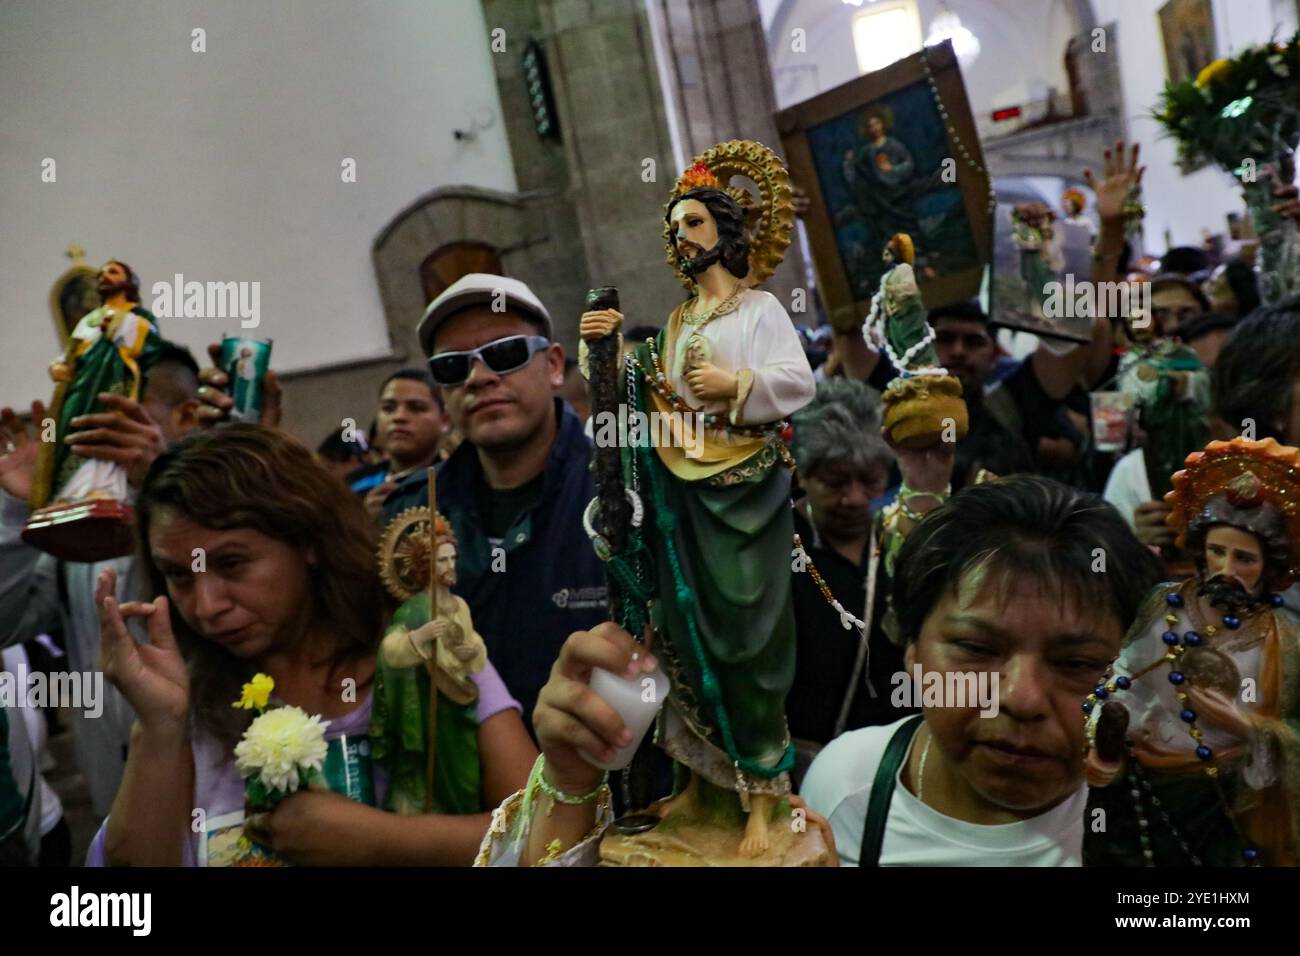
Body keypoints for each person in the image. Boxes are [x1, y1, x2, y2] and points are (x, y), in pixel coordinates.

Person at [89, 424, 534, 866]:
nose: (207, 607)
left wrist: (382, 841)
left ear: (310, 542)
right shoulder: (186, 702)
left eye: (232, 564)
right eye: (179, 576)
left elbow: (546, 833)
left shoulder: (424, 649)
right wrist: (158, 727)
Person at [579, 145, 815, 856]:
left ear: (724, 229)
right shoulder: (678, 322)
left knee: (747, 635)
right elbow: (649, 397)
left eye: (694, 223)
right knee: (680, 625)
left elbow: (796, 384)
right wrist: (611, 355)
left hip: (743, 496)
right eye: (675, 226)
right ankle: (702, 785)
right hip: (681, 491)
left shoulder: (760, 309)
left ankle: (766, 801)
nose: (683, 237)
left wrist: (738, 388)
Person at [802, 475, 1163, 865]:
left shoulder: (1161, 825)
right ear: (911, 648)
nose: (1021, 699)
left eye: (1076, 663)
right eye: (976, 648)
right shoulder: (848, 785)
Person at [386, 273, 609, 732]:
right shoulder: (411, 516)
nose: (479, 378)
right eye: (453, 366)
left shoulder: (623, 492)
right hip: (473, 793)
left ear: (552, 366)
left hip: (615, 785)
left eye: (504, 354)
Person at [0, 341, 204, 818]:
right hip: (117, 793)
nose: (97, 430)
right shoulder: (79, 527)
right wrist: (15, 513)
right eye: (86, 413)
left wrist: (159, 484)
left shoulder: (233, 501)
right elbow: (5, 624)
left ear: (186, 417)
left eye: (120, 411)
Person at [1086, 437, 1300, 866]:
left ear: (1269, 567)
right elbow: (1124, 674)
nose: (1226, 570)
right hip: (1143, 786)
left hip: (1226, 801)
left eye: (1244, 559)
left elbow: (1291, 737)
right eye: (1217, 553)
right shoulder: (1165, 605)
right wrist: (1106, 727)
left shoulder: (1284, 640)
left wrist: (1245, 727)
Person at [788, 378, 912, 760]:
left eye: (871, 479)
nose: (856, 498)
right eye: (836, 481)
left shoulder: (901, 540)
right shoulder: (775, 547)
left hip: (893, 754)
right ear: (802, 474)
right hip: (804, 761)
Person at [349, 369, 449, 519]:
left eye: (416, 408)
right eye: (388, 408)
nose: (399, 417)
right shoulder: (355, 485)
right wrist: (363, 524)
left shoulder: (460, 482)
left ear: (445, 420)